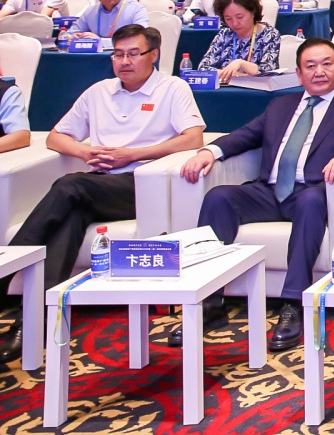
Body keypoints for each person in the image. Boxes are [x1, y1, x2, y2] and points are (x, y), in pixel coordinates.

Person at [0, 24, 203, 363]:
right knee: (71, 217)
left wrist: (133, 154)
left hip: (141, 185)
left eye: (133, 54)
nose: (124, 61)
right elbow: (55, 137)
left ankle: (4, 270)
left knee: (71, 185)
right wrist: (86, 151)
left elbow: (193, 137)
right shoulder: (99, 92)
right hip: (97, 186)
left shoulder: (172, 88)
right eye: (118, 54)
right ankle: (31, 322)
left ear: (153, 55)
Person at [175, 37, 334, 350]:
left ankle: (293, 304)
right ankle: (209, 302)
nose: (319, 72)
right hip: (268, 191)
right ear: (298, 74)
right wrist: (210, 151)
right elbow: (246, 135)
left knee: (311, 201)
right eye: (310, 66)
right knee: (219, 197)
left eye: (327, 64)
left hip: (309, 191)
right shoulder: (281, 105)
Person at [198, 0, 282, 81]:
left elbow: (268, 72)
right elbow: (203, 68)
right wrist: (235, 75)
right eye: (228, 18)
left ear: (253, 12)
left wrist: (240, 63)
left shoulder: (269, 34)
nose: (235, 23)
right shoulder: (224, 35)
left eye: (240, 17)